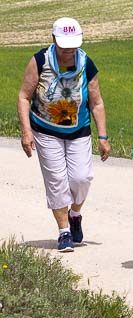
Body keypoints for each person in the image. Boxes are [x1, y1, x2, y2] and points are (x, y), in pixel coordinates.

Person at [17, 17, 111, 253]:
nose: (69, 50)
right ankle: (64, 232)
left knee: (81, 178)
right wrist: (26, 131)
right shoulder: (40, 60)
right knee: (57, 181)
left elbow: (97, 102)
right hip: (46, 130)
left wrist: (103, 136)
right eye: (64, 44)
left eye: (73, 44)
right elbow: (24, 97)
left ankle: (75, 214)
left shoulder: (86, 62)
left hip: (78, 129)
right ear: (53, 40)